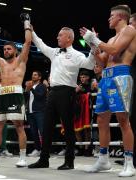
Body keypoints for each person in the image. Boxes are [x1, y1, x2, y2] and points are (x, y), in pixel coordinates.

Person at [28, 26, 96, 170]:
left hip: (68, 93)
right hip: (52, 93)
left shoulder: (77, 55)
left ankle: (69, 161)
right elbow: (40, 43)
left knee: (68, 127)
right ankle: (43, 159)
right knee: (46, 127)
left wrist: (93, 44)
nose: (57, 38)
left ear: (69, 38)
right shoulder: (55, 52)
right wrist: (31, 29)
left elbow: (90, 64)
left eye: (60, 35)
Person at [80, 4, 136, 177]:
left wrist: (96, 40)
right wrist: (92, 44)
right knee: (101, 119)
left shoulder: (129, 29)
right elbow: (103, 60)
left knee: (123, 120)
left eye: (111, 16)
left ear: (120, 16)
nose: (108, 19)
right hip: (106, 77)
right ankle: (103, 160)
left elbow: (115, 51)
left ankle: (129, 163)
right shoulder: (111, 38)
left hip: (121, 76)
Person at [0, 13, 32, 167]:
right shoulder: (1, 62)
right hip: (3, 94)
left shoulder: (21, 60)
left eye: (9, 49)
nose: (6, 51)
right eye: (4, 49)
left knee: (19, 126)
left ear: (15, 50)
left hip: (16, 93)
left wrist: (27, 22)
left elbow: (28, 42)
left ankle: (22, 157)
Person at [115, 12, 136, 168]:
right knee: (130, 119)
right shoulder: (127, 40)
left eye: (132, 23)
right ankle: (131, 156)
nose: (129, 27)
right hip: (129, 77)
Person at [24, 71, 47, 157]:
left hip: (39, 111)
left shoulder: (42, 86)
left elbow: (40, 96)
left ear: (39, 77)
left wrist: (31, 89)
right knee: (33, 132)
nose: (33, 76)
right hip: (30, 112)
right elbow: (25, 97)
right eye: (32, 74)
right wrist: (27, 89)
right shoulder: (30, 86)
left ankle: (45, 150)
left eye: (35, 75)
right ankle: (37, 149)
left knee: (42, 131)